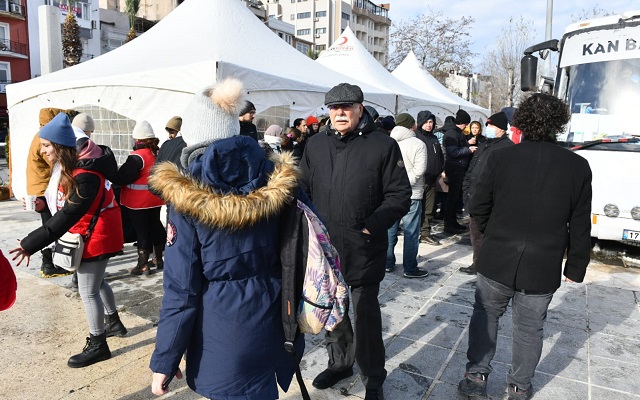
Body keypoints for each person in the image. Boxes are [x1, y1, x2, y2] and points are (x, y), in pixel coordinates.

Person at [148, 78, 303, 399]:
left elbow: (182, 290)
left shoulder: (188, 197)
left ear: (193, 135)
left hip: (221, 333)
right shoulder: (277, 180)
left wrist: (165, 358)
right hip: (275, 321)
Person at [457, 93, 592, 400]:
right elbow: (581, 223)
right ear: (559, 123)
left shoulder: (501, 156)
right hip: (542, 263)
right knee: (530, 329)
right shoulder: (578, 166)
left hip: (497, 257)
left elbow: (478, 205)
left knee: (486, 315)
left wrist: (494, 234)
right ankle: (519, 387)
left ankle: (476, 376)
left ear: (522, 123)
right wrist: (576, 265)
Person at [300, 83, 411, 400]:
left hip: (363, 247)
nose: (339, 113)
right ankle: (340, 364)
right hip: (325, 250)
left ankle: (373, 377)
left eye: (346, 106)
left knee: (365, 316)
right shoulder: (316, 145)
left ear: (360, 108)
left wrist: (372, 226)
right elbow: (302, 189)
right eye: (333, 108)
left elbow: (399, 195)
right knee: (333, 312)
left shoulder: (382, 146)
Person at [11, 113, 127, 368]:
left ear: (61, 147)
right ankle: (114, 323)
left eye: (46, 146)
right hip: (94, 231)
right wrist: (43, 203)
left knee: (88, 291)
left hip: (97, 234)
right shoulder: (74, 167)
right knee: (97, 282)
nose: (42, 151)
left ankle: (98, 345)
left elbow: (67, 215)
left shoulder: (86, 175)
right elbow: (68, 205)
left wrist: (30, 244)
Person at [460, 112, 514, 275]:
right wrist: (466, 189)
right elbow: (471, 170)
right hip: (475, 198)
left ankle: (489, 265)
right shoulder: (484, 144)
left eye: (492, 126)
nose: (488, 128)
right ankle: (478, 264)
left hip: (493, 202)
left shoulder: (508, 148)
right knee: (476, 235)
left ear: (502, 129)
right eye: (488, 125)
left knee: (491, 237)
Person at [27, 108, 78, 278]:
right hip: (43, 188)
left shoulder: (40, 134)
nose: (44, 149)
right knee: (52, 226)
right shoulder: (45, 136)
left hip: (38, 187)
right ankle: (49, 263)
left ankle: (52, 262)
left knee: (49, 225)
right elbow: (54, 164)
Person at [116, 121, 166, 275]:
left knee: (142, 231)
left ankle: (143, 264)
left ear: (137, 140)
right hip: (155, 199)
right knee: (156, 225)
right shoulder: (156, 154)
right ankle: (159, 259)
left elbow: (123, 177)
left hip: (138, 202)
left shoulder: (137, 157)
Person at [386, 113, 429, 278]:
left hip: (392, 193)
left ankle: (388, 263)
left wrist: (395, 185)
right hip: (412, 193)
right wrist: (405, 184)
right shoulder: (418, 144)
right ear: (412, 125)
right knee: (411, 232)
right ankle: (410, 268)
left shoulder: (389, 142)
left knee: (390, 229)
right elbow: (420, 170)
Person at [442, 109, 477, 234]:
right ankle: (449, 224)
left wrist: (467, 145)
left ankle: (453, 222)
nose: (467, 127)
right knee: (452, 198)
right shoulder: (452, 134)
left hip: (459, 168)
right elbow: (453, 152)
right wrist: (469, 149)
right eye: (466, 124)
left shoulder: (456, 133)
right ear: (462, 123)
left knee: (455, 198)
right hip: (455, 169)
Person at [415, 110, 444, 246]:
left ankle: (425, 233)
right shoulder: (417, 138)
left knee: (429, 209)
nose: (429, 125)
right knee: (415, 209)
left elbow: (439, 156)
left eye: (431, 122)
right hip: (420, 180)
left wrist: (441, 169)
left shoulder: (433, 138)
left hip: (433, 179)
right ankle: (415, 233)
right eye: (426, 122)